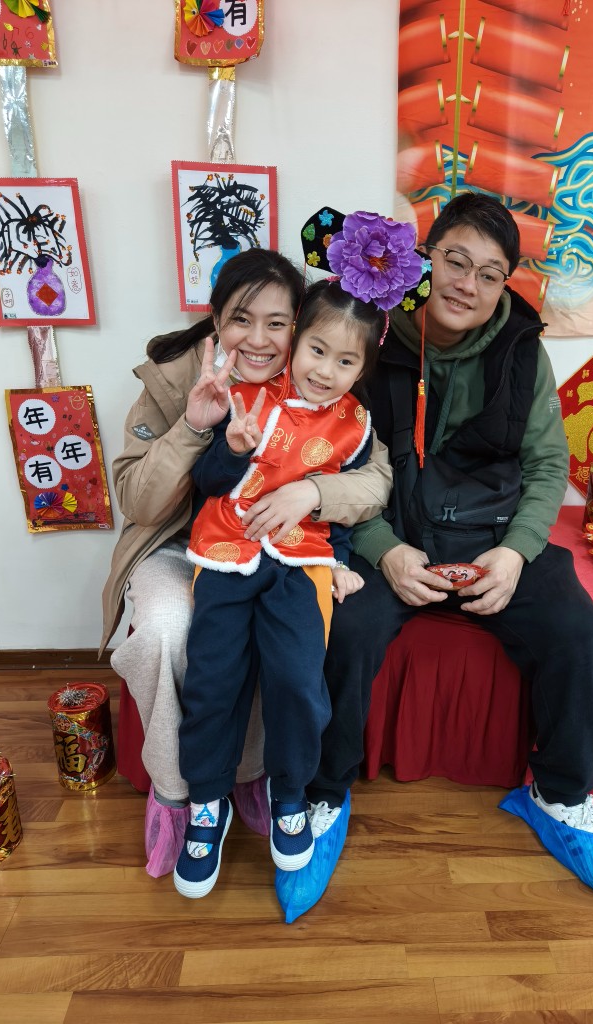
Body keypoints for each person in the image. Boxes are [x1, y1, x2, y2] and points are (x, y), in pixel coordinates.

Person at [278, 192, 593, 921]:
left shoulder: (523, 352)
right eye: (455, 261)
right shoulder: (371, 336)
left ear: (505, 284)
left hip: (493, 536)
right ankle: (324, 794)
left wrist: (515, 555)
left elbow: (547, 466)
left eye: (490, 273)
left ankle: (559, 797)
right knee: (344, 628)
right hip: (390, 533)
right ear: (425, 259)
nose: (468, 284)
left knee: (577, 631)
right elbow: (336, 460)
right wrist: (384, 551)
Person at [99, 249, 393, 878]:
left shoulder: (328, 397)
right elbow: (142, 503)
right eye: (241, 319)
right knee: (172, 637)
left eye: (277, 323)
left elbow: (369, 478)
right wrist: (194, 427)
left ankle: (269, 785)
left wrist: (315, 501)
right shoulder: (176, 376)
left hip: (286, 548)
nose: (258, 340)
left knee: (292, 662)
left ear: (299, 326)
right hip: (179, 542)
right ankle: (184, 796)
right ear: (215, 318)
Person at [172, 277, 387, 899]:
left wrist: (339, 559)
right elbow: (208, 483)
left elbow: (343, 504)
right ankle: (207, 803)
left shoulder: (356, 426)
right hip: (227, 553)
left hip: (300, 562)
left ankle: (289, 794)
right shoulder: (243, 396)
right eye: (317, 350)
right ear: (296, 339)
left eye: (345, 361)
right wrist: (233, 450)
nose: (325, 370)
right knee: (213, 679)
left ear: (363, 368)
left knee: (298, 680)